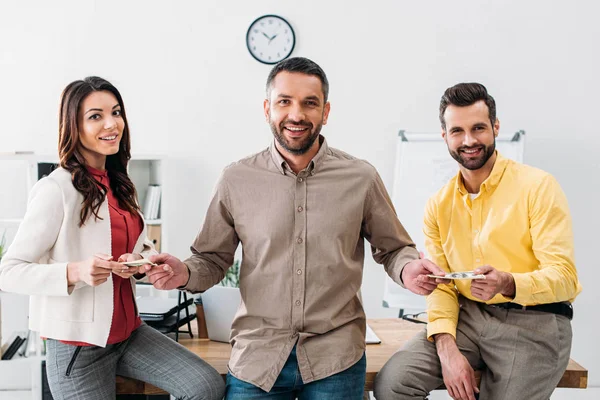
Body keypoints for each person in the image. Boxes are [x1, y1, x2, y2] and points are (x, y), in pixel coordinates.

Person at [145, 57, 447, 400]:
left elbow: (393, 249)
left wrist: (408, 270)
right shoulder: (236, 179)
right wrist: (182, 272)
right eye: (284, 101)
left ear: (326, 111)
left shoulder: (360, 177)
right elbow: (212, 259)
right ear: (267, 108)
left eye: (309, 103)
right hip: (258, 360)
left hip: (336, 358)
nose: (296, 115)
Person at [0, 77, 225, 400]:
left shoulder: (120, 183)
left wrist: (140, 261)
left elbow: (132, 243)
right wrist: (74, 272)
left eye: (116, 112)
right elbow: (9, 271)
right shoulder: (56, 189)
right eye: (95, 116)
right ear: (73, 125)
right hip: (79, 348)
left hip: (130, 334)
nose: (111, 123)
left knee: (206, 387)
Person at [374, 83, 582, 400]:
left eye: (479, 128)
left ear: (495, 127)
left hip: (537, 322)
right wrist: (446, 346)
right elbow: (441, 284)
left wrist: (508, 282)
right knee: (393, 385)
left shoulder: (537, 187)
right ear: (444, 136)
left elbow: (565, 279)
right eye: (458, 131)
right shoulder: (438, 205)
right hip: (470, 317)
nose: (469, 140)